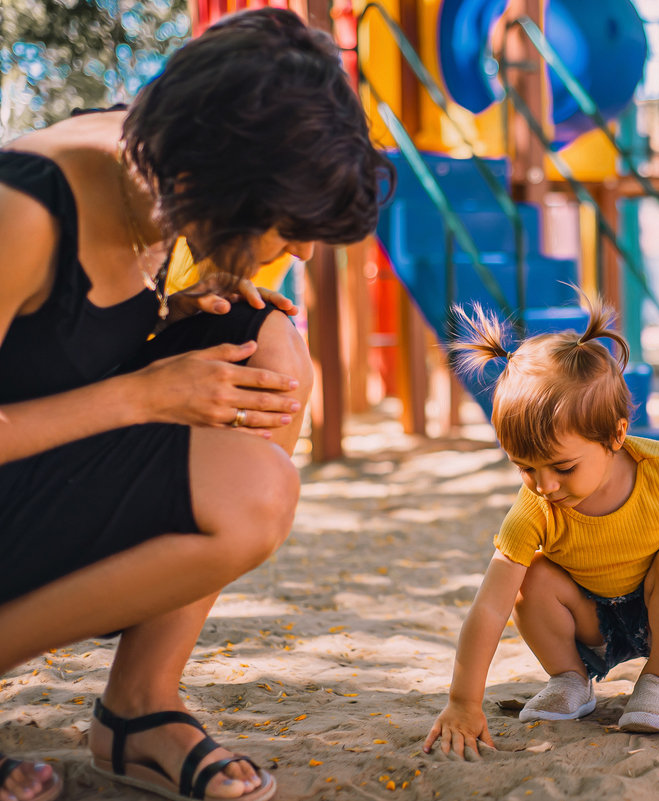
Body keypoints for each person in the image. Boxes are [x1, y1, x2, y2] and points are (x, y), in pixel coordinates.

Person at [0, 9, 393, 801]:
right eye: (286, 226)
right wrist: (139, 392)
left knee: (268, 343)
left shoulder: (161, 184)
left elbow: (58, 347)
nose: (303, 250)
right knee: (252, 495)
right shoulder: (26, 209)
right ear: (218, 179)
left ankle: (139, 704)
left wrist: (173, 317)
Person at [422, 299, 659, 757]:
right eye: (526, 469)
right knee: (527, 576)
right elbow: (489, 608)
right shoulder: (535, 507)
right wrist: (463, 701)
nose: (545, 485)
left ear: (616, 435)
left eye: (562, 467)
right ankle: (569, 679)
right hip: (589, 622)